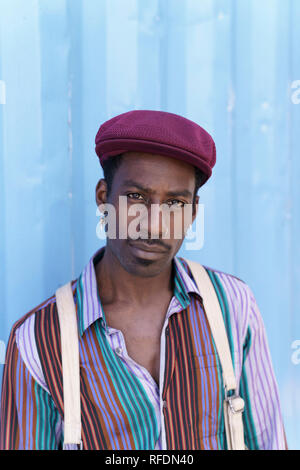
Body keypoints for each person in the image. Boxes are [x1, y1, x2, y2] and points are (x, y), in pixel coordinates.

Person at [0, 110, 287, 450]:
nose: (153, 225)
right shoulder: (37, 340)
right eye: (136, 197)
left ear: (193, 213)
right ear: (103, 198)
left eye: (175, 203)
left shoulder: (233, 306)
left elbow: (266, 441)